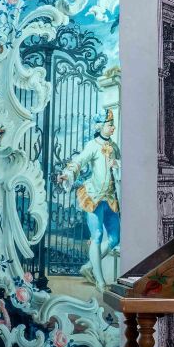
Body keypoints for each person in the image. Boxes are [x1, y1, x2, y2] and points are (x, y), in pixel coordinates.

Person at [58, 107, 121, 288]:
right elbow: (79, 162)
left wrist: (117, 163)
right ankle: (100, 281)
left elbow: (122, 165)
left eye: (113, 124)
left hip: (110, 198)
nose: (113, 127)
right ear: (100, 126)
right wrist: (67, 174)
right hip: (93, 197)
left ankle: (88, 266)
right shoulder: (92, 145)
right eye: (109, 124)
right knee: (97, 235)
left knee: (115, 238)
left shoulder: (114, 147)